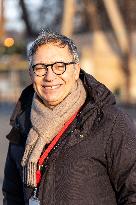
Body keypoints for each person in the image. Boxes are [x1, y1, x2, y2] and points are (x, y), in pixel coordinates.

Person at [2, 31, 136, 205]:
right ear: (31, 73)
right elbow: (12, 195)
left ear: (76, 70)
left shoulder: (110, 123)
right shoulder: (22, 124)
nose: (50, 77)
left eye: (60, 66)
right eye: (41, 67)